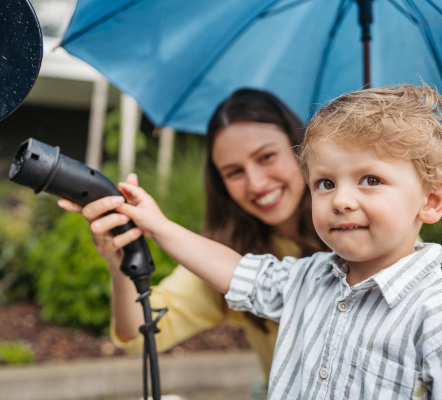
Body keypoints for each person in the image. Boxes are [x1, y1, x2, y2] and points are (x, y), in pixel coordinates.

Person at [103, 84, 442, 399]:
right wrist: (154, 225)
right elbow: (233, 270)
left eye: (371, 179)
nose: (341, 200)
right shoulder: (306, 280)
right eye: (326, 183)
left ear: (432, 199)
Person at [58, 88, 327, 397]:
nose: (256, 183)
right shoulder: (225, 258)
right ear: (221, 185)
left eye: (266, 157)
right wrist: (121, 265)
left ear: (302, 149)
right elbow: (140, 333)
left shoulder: (364, 244)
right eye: (234, 172)